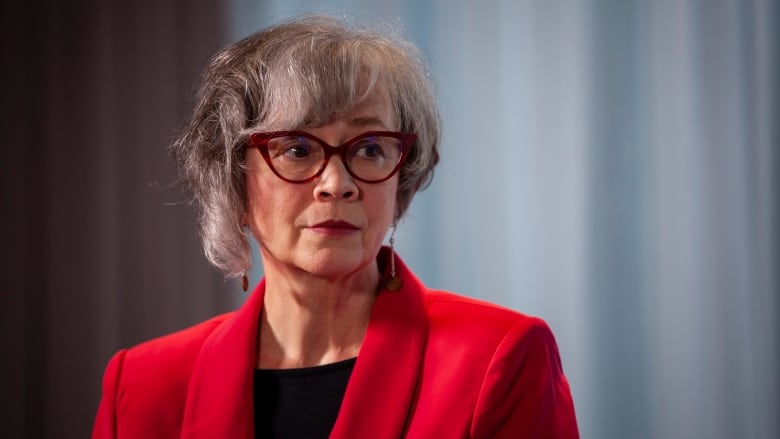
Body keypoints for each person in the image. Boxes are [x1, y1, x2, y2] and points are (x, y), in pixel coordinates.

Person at [92, 15, 578, 439]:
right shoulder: (140, 384)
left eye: (369, 148)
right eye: (298, 149)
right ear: (233, 181)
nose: (337, 184)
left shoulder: (501, 356)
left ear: (400, 179)